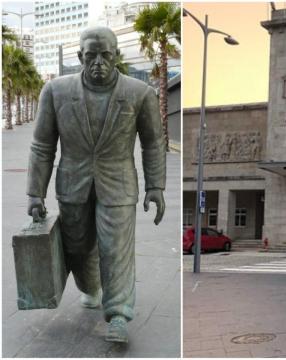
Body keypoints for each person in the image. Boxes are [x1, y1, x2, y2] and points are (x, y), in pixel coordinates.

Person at [27, 26, 166, 343]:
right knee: (77, 248)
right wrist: (35, 192)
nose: (99, 62)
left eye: (106, 55)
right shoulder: (56, 92)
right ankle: (91, 288)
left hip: (118, 183)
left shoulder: (139, 93)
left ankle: (118, 313)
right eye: (91, 55)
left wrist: (155, 186)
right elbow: (42, 146)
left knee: (115, 249)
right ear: (80, 57)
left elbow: (154, 143)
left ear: (117, 55)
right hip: (73, 183)